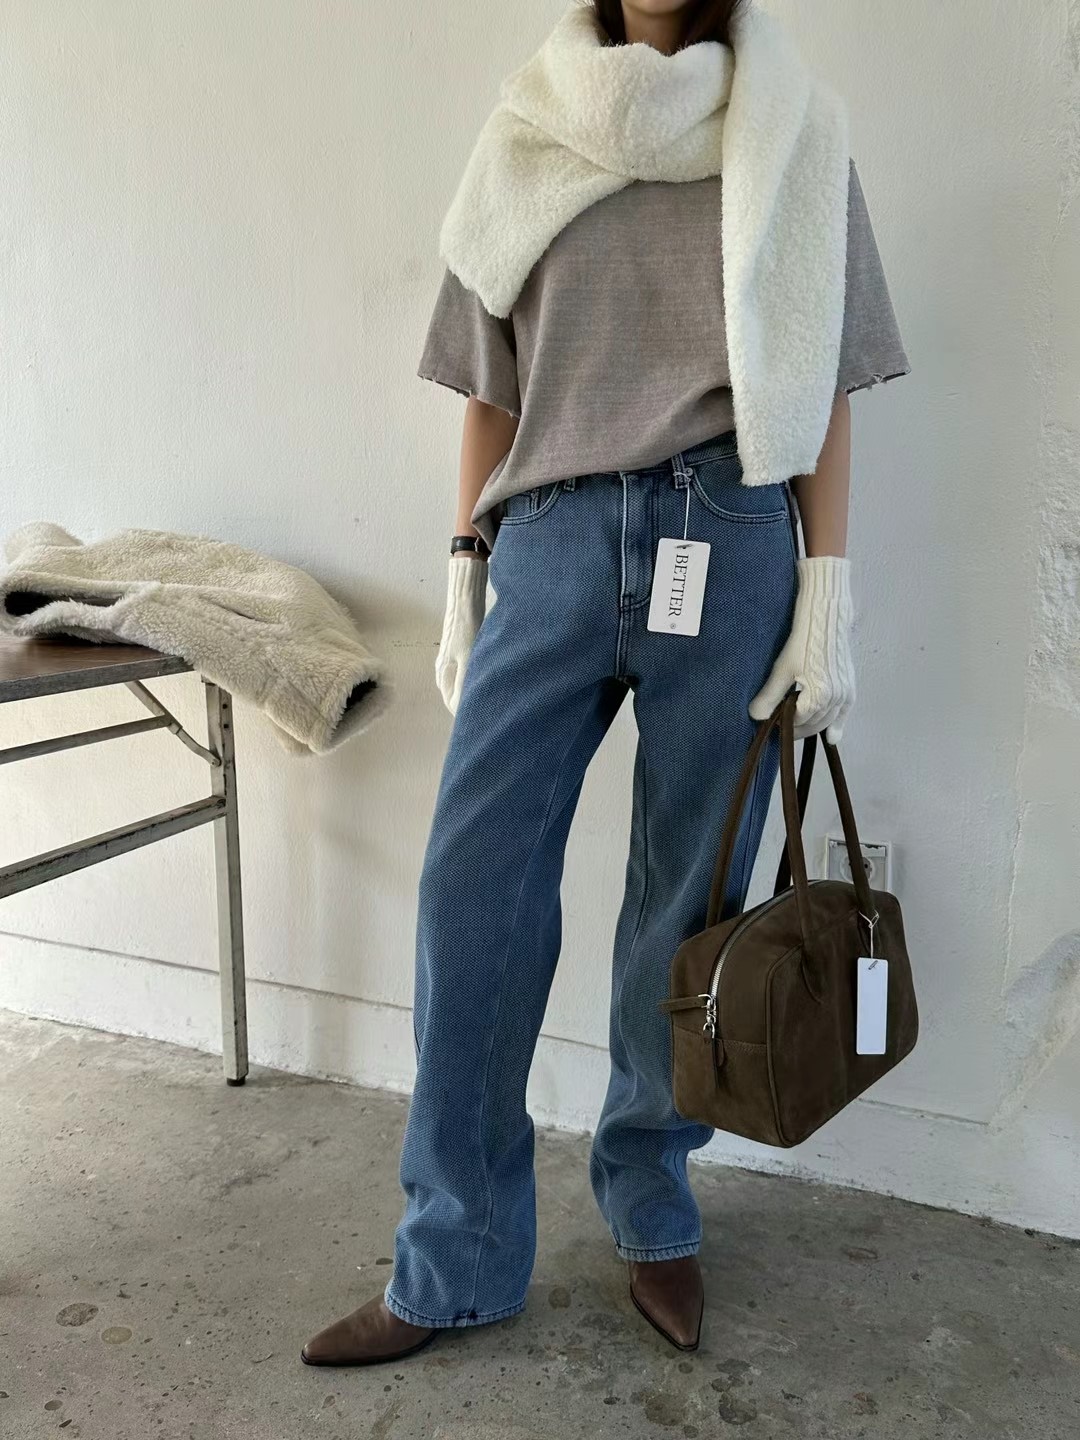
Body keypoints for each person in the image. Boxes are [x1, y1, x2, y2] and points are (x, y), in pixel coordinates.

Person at [303, 0, 908, 1366]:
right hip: (555, 542)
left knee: (686, 908)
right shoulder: (531, 125)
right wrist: (465, 565)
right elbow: (489, 384)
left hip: (730, 539)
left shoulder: (796, 135)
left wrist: (828, 590)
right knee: (474, 891)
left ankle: (651, 1201)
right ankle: (454, 1253)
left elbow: (823, 381)